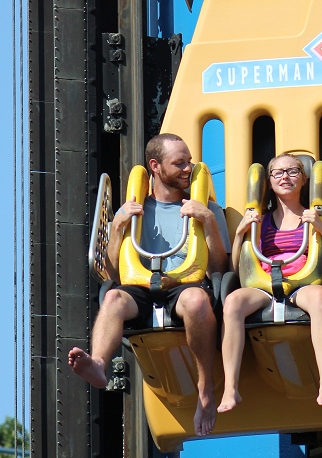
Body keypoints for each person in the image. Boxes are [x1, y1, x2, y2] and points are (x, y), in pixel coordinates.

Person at [68, 133, 230, 437]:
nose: (187, 169)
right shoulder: (133, 210)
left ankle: (205, 388)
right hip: (140, 285)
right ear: (155, 166)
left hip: (185, 284)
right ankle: (99, 365)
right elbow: (114, 272)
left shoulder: (208, 209)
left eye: (189, 162)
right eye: (178, 163)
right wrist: (117, 227)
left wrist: (207, 221)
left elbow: (220, 268)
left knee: (196, 302)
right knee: (114, 298)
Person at [218, 154, 322, 412]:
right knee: (232, 303)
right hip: (264, 283)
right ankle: (231, 388)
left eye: (293, 171)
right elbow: (235, 268)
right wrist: (240, 233)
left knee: (320, 299)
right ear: (269, 182)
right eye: (278, 173)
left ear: (304, 178)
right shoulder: (259, 221)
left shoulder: (321, 215)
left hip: (303, 281)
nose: (285, 177)